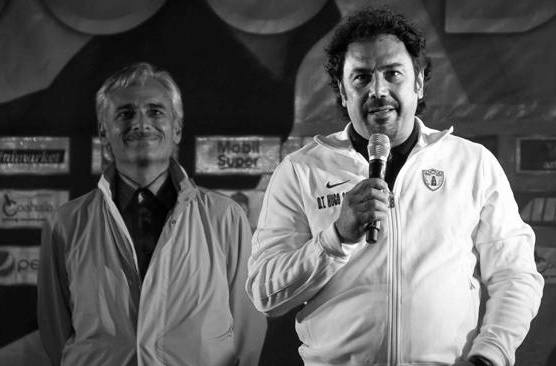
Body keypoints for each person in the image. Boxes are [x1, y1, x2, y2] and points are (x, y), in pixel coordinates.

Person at [246, 8, 543, 366]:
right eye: (361, 77)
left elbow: (514, 275)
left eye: (392, 74)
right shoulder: (300, 171)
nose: (377, 90)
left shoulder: (472, 164)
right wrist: (335, 238)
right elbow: (266, 293)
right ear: (341, 91)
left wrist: (490, 355)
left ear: (418, 83)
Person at [38, 62, 265, 366]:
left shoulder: (226, 218)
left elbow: (247, 334)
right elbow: (57, 335)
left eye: (156, 111)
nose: (141, 123)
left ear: (177, 129)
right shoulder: (64, 224)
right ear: (104, 134)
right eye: (125, 113)